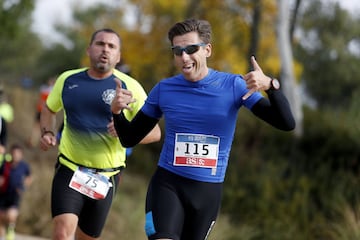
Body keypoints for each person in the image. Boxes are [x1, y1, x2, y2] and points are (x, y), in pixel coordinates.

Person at [111, 18, 296, 240]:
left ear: (207, 50)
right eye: (178, 51)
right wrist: (117, 112)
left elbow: (286, 123)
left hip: (207, 193)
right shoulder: (164, 89)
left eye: (191, 49)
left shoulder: (234, 86)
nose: (184, 57)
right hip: (168, 185)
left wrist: (271, 86)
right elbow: (130, 138)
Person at [39, 28, 161, 240]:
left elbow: (155, 132)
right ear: (89, 49)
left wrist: (127, 131)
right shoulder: (68, 80)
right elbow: (49, 110)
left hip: (107, 176)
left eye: (111, 46)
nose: (105, 49)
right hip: (69, 167)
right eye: (100, 44)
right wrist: (48, 131)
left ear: (118, 55)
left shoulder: (131, 87)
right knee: (62, 233)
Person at [0, 144, 32, 240]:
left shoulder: (24, 166)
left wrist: (23, 187)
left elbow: (29, 177)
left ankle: (10, 229)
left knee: (11, 215)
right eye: (14, 153)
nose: (15, 155)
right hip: (3, 193)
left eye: (17, 154)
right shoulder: (5, 164)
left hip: (15, 194)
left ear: (21, 155)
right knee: (1, 217)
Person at [27, 77, 55, 148]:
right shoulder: (52, 91)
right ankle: (43, 141)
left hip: (41, 110)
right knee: (45, 127)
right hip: (47, 112)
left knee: (37, 127)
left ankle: (33, 141)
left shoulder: (43, 89)